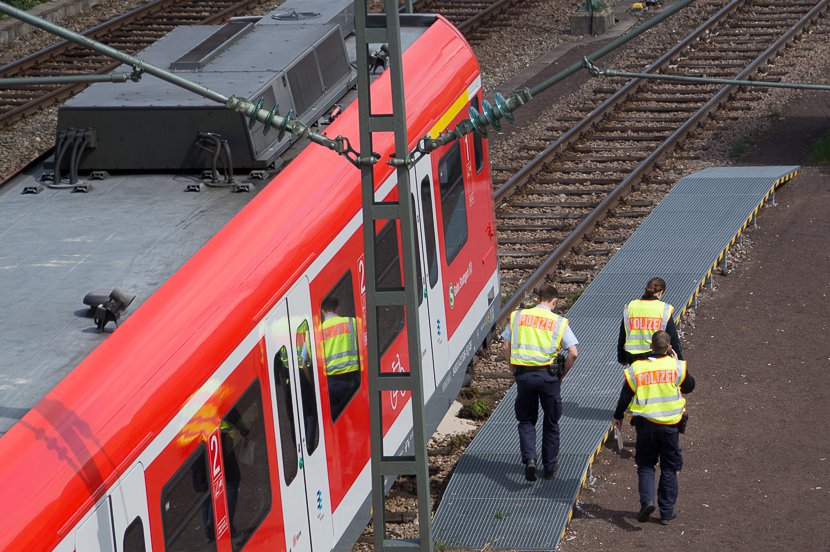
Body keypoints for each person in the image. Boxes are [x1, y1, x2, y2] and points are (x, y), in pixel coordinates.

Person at [613, 330, 695, 525]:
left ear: (651, 346)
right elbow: (689, 387)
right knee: (669, 468)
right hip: (670, 426)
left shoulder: (637, 368)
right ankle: (666, 512)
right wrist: (675, 360)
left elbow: (625, 395)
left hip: (645, 425)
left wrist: (618, 417)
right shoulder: (676, 367)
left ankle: (646, 501)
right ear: (668, 347)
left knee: (646, 465)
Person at [501, 283, 579, 482]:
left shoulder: (518, 316)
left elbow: (505, 346)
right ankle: (550, 468)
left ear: (538, 299)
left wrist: (512, 369)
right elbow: (573, 353)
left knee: (526, 420)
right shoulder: (558, 322)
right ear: (554, 301)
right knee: (551, 421)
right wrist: (563, 374)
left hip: (524, 376)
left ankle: (530, 461)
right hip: (548, 377)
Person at [618, 276, 683, 366]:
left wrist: (621, 358)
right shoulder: (663, 308)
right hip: (655, 353)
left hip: (632, 356)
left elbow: (623, 334)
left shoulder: (631, 306)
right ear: (660, 293)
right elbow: (673, 337)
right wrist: (679, 360)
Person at [321, 296, 361, 419]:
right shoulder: (352, 322)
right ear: (338, 307)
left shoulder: (316, 332)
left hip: (330, 384)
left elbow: (303, 361)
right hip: (352, 382)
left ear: (322, 310)